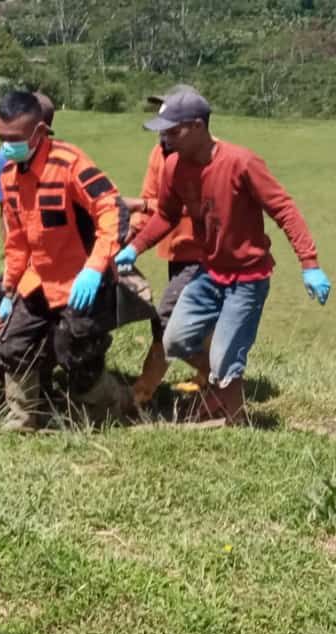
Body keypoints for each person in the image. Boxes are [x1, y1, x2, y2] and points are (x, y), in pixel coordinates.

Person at [116, 90, 330, 423]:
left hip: (247, 277)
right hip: (210, 272)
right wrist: (134, 247)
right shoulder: (173, 166)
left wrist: (310, 264)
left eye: (173, 130)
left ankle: (233, 418)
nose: (165, 138)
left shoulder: (241, 162)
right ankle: (222, 401)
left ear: (198, 127)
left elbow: (284, 209)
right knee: (174, 338)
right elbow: (167, 214)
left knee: (225, 356)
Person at [0, 90, 131, 432]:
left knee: (76, 353)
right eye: (1, 138)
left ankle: (109, 409)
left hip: (81, 280)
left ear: (39, 132)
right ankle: (25, 418)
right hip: (39, 278)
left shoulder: (69, 163)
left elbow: (111, 208)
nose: (7, 147)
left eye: (15, 139)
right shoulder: (10, 176)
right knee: (13, 343)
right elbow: (17, 240)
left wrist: (95, 267)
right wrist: (9, 290)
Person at [122, 84, 210, 405]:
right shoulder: (159, 154)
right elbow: (150, 202)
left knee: (167, 319)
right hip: (176, 251)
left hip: (204, 253)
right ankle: (210, 376)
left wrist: (145, 208)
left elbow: (185, 207)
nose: (164, 132)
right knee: (195, 322)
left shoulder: (207, 158)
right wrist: (128, 240)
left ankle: (141, 392)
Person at [0, 92, 55, 241]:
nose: (8, 145)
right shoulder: (3, 160)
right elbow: (5, 213)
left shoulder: (62, 161)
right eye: (3, 138)